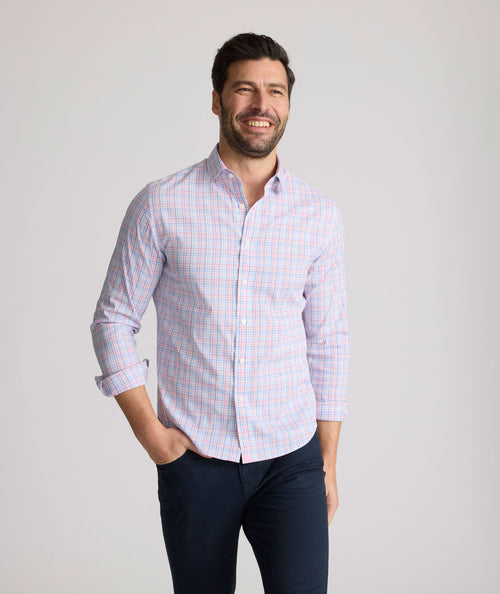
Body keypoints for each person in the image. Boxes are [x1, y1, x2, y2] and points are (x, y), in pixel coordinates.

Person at [91, 32, 349, 594]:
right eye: (245, 89)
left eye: (275, 91)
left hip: (292, 459)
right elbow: (112, 320)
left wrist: (327, 459)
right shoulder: (162, 204)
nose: (261, 104)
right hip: (196, 460)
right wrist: (154, 438)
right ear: (217, 99)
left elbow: (328, 339)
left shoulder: (318, 214)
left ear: (288, 104)